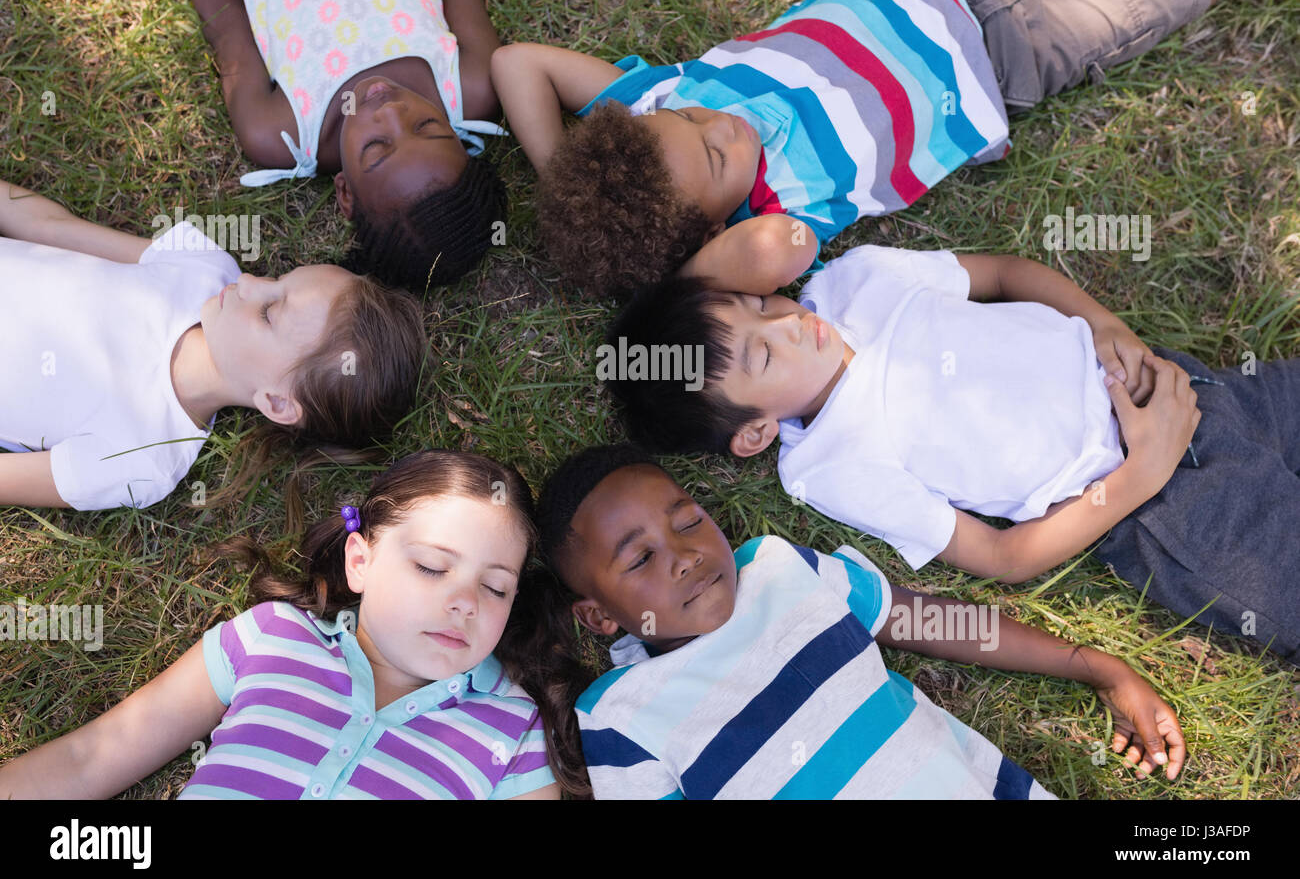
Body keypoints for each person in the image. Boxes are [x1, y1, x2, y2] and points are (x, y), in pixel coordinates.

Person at [605, 245, 1300, 663]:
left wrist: (1108, 326)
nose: (787, 323)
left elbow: (1003, 272)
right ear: (754, 432)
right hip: (1166, 505)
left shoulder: (856, 282)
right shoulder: (830, 464)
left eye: (758, 303)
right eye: (762, 353)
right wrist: (1142, 474)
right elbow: (1003, 559)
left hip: (1177, 382)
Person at [492, 0, 1278, 298]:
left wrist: (572, 177)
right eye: (719, 159)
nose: (723, 128)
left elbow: (515, 63)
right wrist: (673, 278)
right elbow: (766, 260)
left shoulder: (652, 107)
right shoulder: (780, 217)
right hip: (1013, 60)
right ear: (710, 232)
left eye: (695, 119)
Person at [530, 444, 1185, 799]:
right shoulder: (619, 714)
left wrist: (1092, 664)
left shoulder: (781, 572)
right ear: (598, 616)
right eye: (641, 557)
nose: (687, 556)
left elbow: (928, 622)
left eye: (688, 521)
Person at [0, 450, 561, 800]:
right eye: (432, 567)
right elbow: (89, 757)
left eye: (495, 587)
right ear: (360, 561)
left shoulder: (510, 730)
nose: (465, 602)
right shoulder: (274, 636)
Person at [0, 178, 425, 511]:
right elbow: (53, 230)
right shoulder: (205, 269)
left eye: (268, 312)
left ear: (276, 403)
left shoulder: (144, 458)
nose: (250, 283)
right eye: (277, 280)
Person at [178, 0, 507, 290]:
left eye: (377, 146)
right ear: (461, 145)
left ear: (345, 192)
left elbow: (228, 31)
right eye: (427, 125)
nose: (392, 111)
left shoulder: (280, 132)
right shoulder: (471, 85)